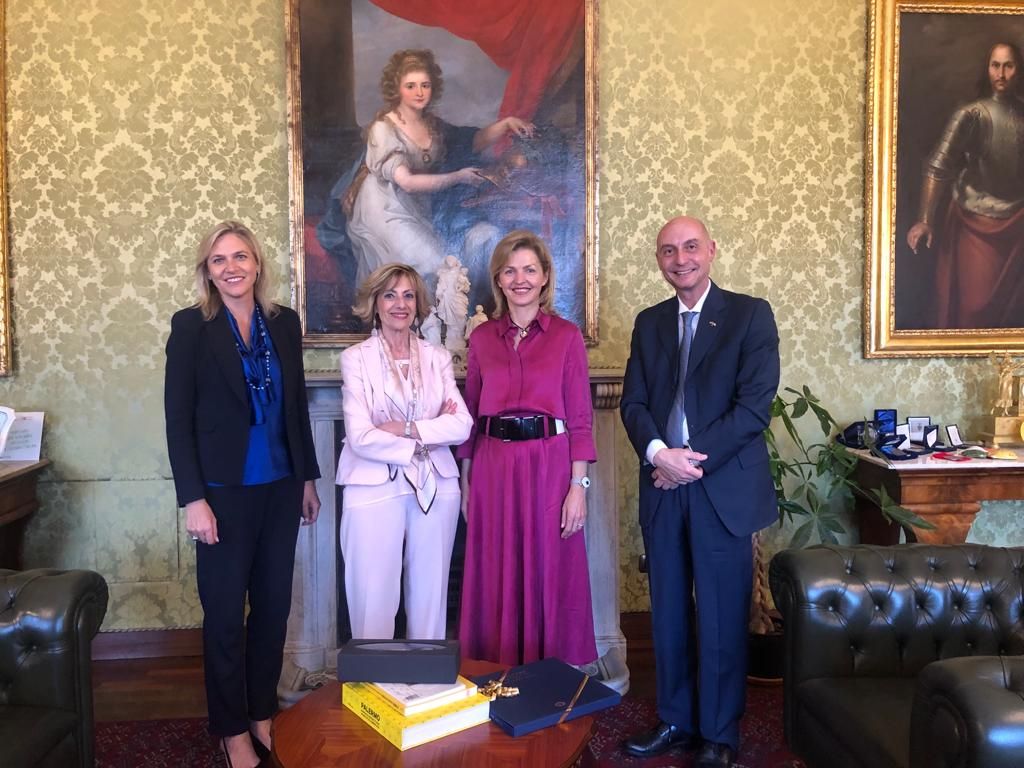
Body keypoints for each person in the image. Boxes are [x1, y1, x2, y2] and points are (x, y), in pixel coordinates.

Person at [619, 216, 779, 768]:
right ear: (658, 260)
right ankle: (676, 720)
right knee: (668, 611)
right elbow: (633, 403)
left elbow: (753, 408)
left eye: (690, 247)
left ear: (711, 250)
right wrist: (658, 454)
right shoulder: (649, 323)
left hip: (719, 487)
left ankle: (718, 733)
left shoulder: (749, 315)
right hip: (662, 484)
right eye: (668, 250)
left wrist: (687, 461)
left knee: (720, 613)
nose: (680, 259)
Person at [164, 221, 321, 768]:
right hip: (221, 495)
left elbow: (296, 406)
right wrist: (193, 500)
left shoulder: (284, 323)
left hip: (280, 489)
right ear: (207, 272)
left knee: (273, 610)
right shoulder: (191, 327)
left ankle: (261, 715)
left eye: (240, 257)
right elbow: (177, 420)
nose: (231, 267)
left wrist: (306, 478)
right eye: (218, 260)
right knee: (226, 616)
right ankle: (231, 730)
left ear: (257, 263)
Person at [457, 230, 597, 667]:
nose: (520, 280)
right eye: (510, 271)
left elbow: (580, 418)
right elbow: (470, 413)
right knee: (495, 567)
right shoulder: (482, 339)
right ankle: (495, 674)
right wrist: (465, 482)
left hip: (549, 467)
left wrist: (578, 487)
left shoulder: (567, 337)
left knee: (548, 565)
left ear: (545, 277)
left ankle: (550, 677)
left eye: (530, 270)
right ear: (499, 280)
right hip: (492, 467)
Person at [318, 49, 535, 296]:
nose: (419, 92)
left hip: (416, 205)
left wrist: (506, 124)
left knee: (442, 267)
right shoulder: (383, 129)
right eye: (410, 86)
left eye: (425, 85)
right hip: (383, 207)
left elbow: (471, 142)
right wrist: (459, 176)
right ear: (396, 89)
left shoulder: (432, 125)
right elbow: (406, 182)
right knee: (431, 266)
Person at [336, 264, 472, 640]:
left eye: (408, 295)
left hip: (437, 485)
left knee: (430, 597)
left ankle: (425, 675)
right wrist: (432, 429)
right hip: (373, 485)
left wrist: (404, 428)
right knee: (372, 598)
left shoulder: (437, 357)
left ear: (418, 304)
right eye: (390, 295)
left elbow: (462, 425)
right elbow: (360, 436)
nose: (400, 304)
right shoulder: (355, 359)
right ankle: (372, 676)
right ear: (375, 303)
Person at [906, 42, 1024, 329]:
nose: (1001, 74)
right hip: (975, 223)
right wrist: (924, 219)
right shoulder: (971, 114)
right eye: (995, 65)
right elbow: (938, 166)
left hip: (1018, 224)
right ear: (987, 69)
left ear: (1018, 70)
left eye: (1008, 66)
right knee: (974, 308)